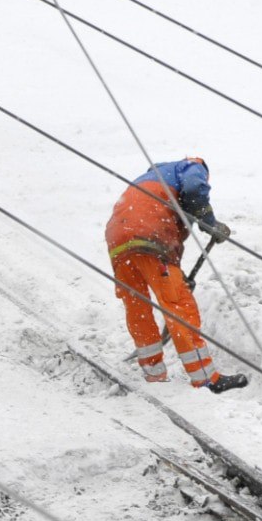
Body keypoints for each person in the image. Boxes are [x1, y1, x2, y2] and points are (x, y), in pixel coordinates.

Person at [103, 157, 246, 392]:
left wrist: (177, 271)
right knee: (178, 305)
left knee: (137, 306)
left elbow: (171, 223)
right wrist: (209, 223)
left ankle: (153, 373)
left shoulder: (148, 183)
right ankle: (206, 377)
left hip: (118, 239)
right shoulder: (190, 166)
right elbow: (194, 189)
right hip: (148, 234)